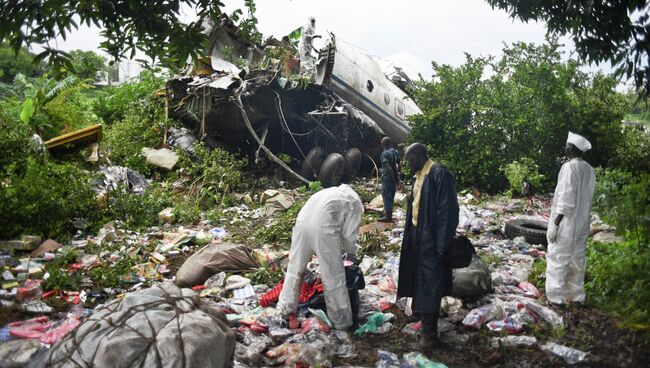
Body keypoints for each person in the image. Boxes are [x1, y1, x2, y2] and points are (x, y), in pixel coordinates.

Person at [397, 143, 459, 351]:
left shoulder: (438, 174)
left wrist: (442, 245)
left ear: (419, 155)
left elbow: (447, 212)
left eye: (409, 159)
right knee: (417, 277)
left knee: (430, 281)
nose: (407, 163)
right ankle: (420, 315)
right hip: (417, 235)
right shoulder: (418, 176)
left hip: (431, 239)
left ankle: (429, 334)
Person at [277, 183, 363, 330]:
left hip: (302, 224)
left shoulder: (328, 192)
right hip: (323, 228)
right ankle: (341, 321)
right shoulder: (355, 201)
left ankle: (286, 311)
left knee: (295, 269)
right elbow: (349, 235)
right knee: (333, 276)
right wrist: (351, 253)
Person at [546, 132, 596, 306]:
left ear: (572, 149)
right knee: (577, 259)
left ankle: (556, 297)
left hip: (567, 221)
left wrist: (556, 224)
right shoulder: (589, 169)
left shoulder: (569, 167)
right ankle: (576, 297)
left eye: (567, 145)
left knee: (558, 258)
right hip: (582, 221)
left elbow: (567, 199)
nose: (565, 148)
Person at [378, 136, 400, 222]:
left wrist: (393, 179)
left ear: (382, 143)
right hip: (394, 176)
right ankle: (389, 214)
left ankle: (388, 217)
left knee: (386, 196)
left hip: (388, 178)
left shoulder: (384, 154)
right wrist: (398, 178)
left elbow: (389, 168)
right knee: (391, 195)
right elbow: (399, 164)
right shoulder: (394, 152)